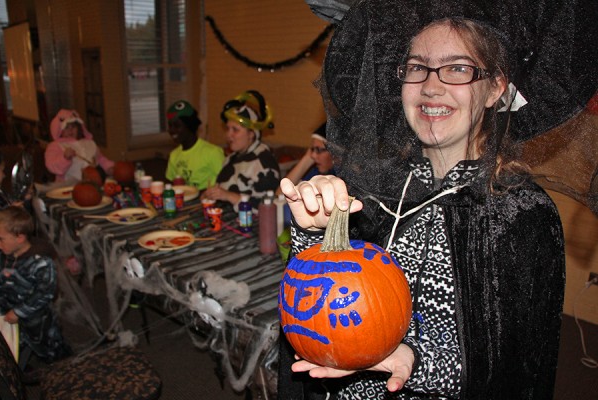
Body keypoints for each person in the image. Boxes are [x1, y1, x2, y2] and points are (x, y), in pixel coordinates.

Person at [277, 7, 572, 400]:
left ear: (496, 88)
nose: (431, 87)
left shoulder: (519, 213)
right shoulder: (375, 186)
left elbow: (511, 367)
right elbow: (319, 304)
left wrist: (416, 362)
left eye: (458, 69)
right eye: (418, 67)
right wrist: (316, 234)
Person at [0, 206, 70, 364]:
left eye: (0, 239)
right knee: (15, 349)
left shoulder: (41, 263)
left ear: (20, 237)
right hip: (8, 315)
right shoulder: (3, 256)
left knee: (51, 350)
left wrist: (19, 312)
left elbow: (45, 293)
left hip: (37, 320)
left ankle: (62, 370)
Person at [202, 90, 280, 210]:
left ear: (251, 134)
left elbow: (269, 207)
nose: (229, 135)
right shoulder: (231, 158)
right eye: (228, 129)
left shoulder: (264, 162)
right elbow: (220, 190)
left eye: (235, 130)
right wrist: (208, 195)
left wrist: (228, 196)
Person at [165, 100, 225, 190]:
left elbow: (227, 182)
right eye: (170, 125)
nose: (172, 130)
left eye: (177, 126)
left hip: (208, 202)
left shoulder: (212, 152)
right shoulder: (174, 155)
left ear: (190, 126)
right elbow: (170, 184)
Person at [45, 109, 114, 183]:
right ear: (59, 130)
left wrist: (109, 167)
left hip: (92, 182)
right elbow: (52, 166)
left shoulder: (88, 143)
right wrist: (65, 158)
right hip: (67, 186)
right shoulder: (55, 146)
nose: (70, 130)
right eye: (67, 127)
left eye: (73, 127)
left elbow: (100, 158)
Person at [275, 122, 335, 197]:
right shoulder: (315, 172)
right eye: (312, 149)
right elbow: (279, 196)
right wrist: (307, 159)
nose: (313, 155)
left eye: (319, 149)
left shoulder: (346, 179)